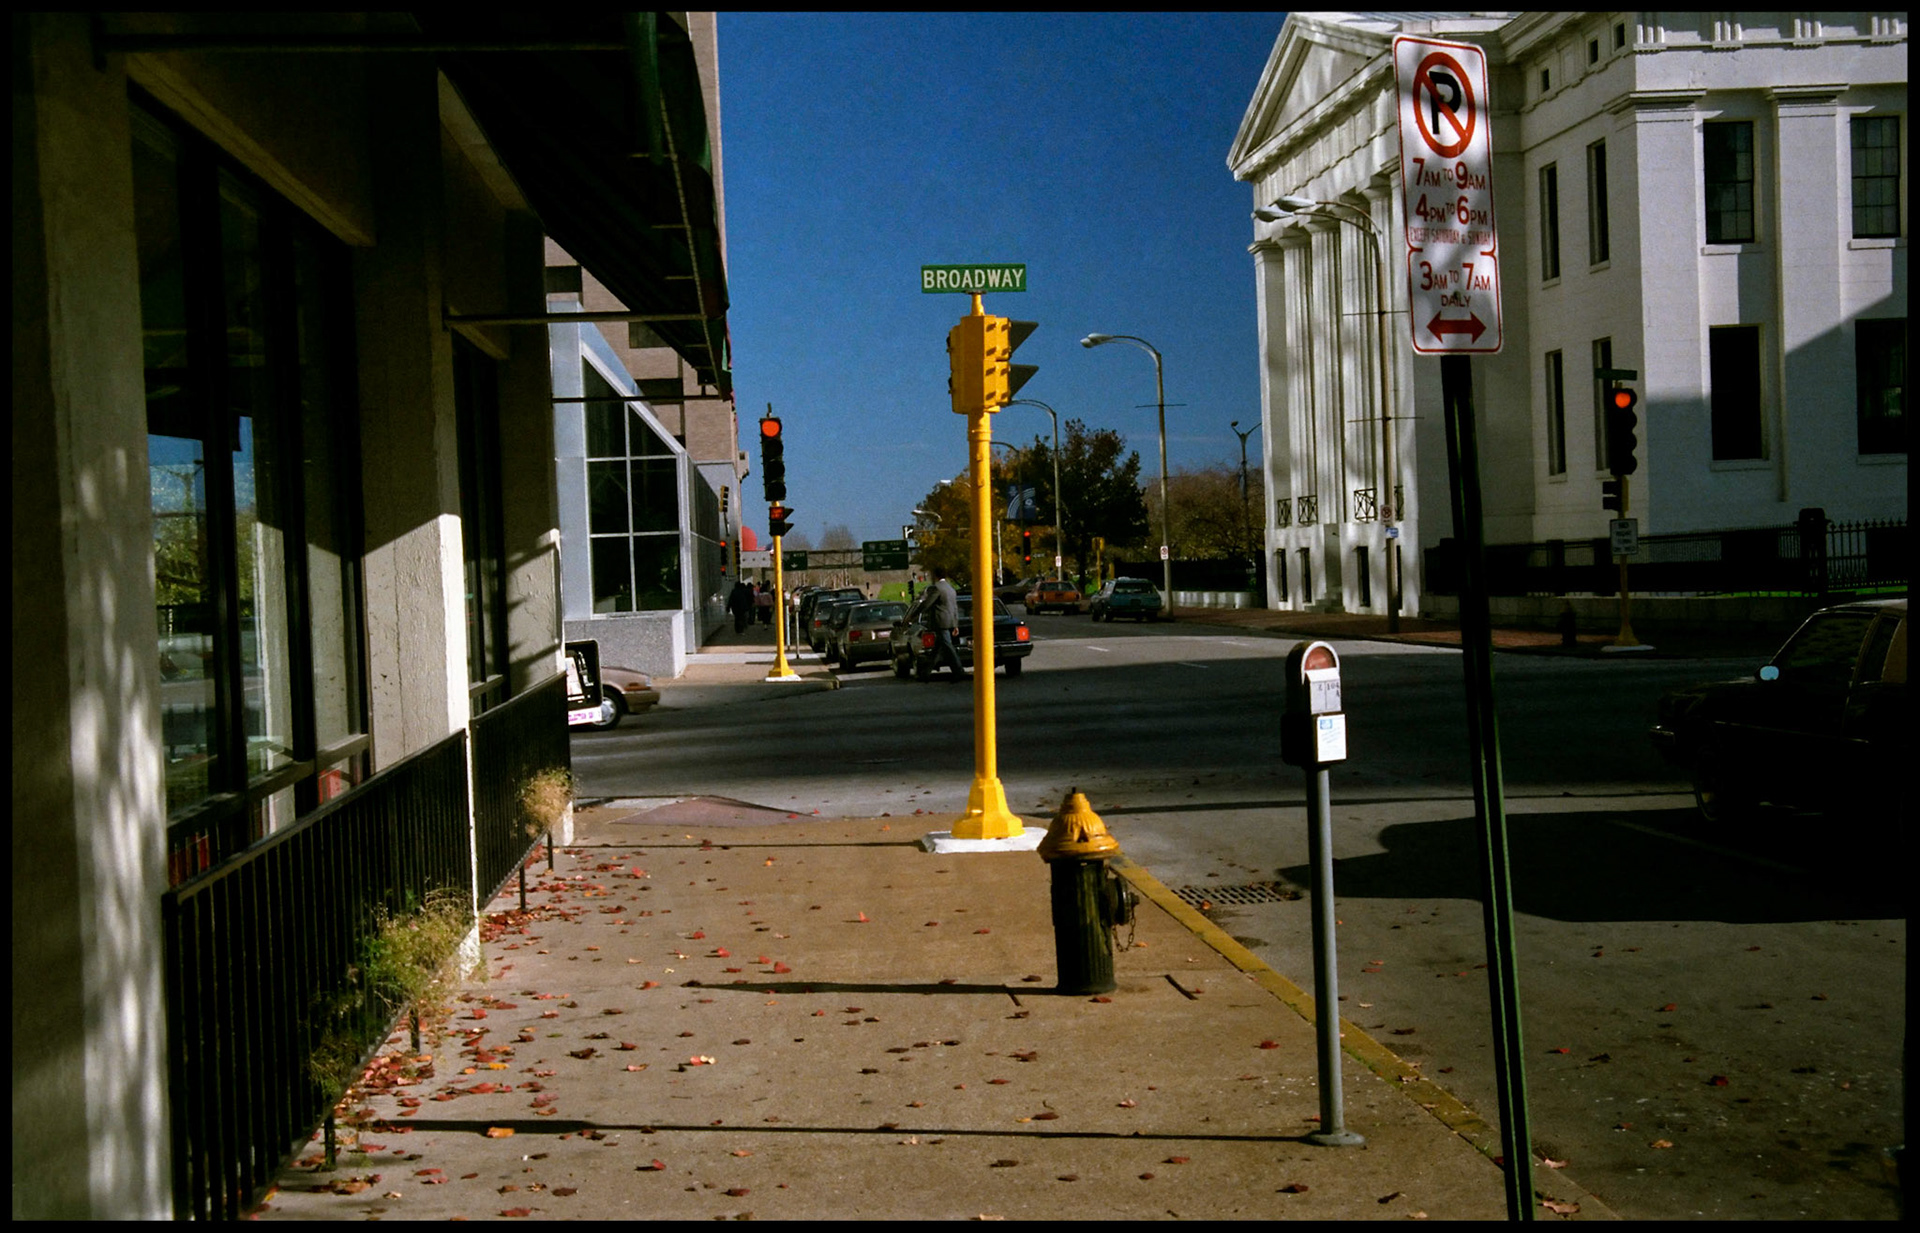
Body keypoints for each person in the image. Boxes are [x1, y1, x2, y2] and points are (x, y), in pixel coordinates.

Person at [927, 567, 966, 681]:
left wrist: (916, 613)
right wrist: (955, 624)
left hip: (941, 622)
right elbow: (954, 607)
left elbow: (927, 604)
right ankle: (925, 673)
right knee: (937, 649)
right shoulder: (951, 589)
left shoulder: (937, 588)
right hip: (950, 621)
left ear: (935, 575)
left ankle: (959, 670)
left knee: (948, 646)